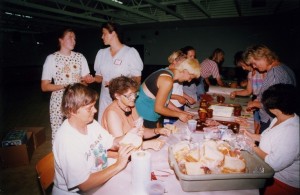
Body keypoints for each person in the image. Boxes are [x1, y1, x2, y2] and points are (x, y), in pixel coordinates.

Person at [52, 83, 136, 194]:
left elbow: (111, 142)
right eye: (89, 108)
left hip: (97, 178)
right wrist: (118, 165)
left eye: (94, 106)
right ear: (72, 110)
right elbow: (84, 184)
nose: (95, 111)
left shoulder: (90, 124)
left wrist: (131, 136)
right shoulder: (67, 141)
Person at [244, 84, 299, 195]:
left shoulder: (292, 133)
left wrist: (253, 147)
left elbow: (274, 163)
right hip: (268, 171)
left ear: (275, 110)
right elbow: (270, 138)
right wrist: (251, 135)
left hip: (282, 183)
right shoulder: (281, 118)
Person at [41, 28, 94, 141]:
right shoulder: (52, 59)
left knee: (78, 129)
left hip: (78, 100)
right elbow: (44, 86)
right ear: (61, 40)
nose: (73, 40)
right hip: (58, 101)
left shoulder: (80, 57)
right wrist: (65, 86)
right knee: (57, 132)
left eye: (74, 38)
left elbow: (85, 82)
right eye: (70, 37)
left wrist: (86, 81)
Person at [102, 76, 171, 156]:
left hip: (134, 152)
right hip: (117, 159)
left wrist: (157, 131)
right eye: (129, 95)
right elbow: (121, 146)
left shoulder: (131, 106)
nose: (134, 98)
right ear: (117, 96)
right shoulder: (112, 113)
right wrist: (146, 144)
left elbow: (141, 131)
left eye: (135, 94)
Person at [93, 22, 143, 122]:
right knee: (104, 124)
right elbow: (99, 77)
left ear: (113, 33)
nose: (102, 36)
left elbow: (137, 80)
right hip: (105, 99)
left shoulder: (130, 53)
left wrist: (119, 86)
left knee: (121, 125)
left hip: (123, 99)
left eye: (104, 33)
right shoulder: (101, 53)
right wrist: (93, 79)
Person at [243, 44, 296, 133]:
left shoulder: (275, 74)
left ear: (263, 57)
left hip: (272, 121)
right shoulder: (283, 67)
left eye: (254, 63)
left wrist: (255, 104)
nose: (254, 67)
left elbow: (274, 104)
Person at [135, 58, 201, 128]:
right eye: (190, 77)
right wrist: (179, 115)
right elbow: (159, 108)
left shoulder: (166, 73)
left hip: (147, 115)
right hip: (144, 116)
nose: (189, 81)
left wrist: (181, 112)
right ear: (185, 71)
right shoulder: (167, 80)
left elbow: (164, 101)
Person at [230, 51, 266, 133]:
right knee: (255, 125)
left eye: (243, 65)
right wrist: (236, 92)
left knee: (260, 128)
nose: (243, 68)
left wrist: (256, 102)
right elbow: (248, 91)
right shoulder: (250, 74)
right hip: (257, 102)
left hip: (264, 103)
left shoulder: (262, 72)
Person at [165, 50, 197, 124]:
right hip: (171, 107)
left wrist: (187, 97)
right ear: (175, 62)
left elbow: (178, 90)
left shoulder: (180, 74)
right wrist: (178, 97)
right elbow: (163, 96)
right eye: (190, 56)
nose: (192, 59)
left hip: (179, 105)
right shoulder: (167, 75)